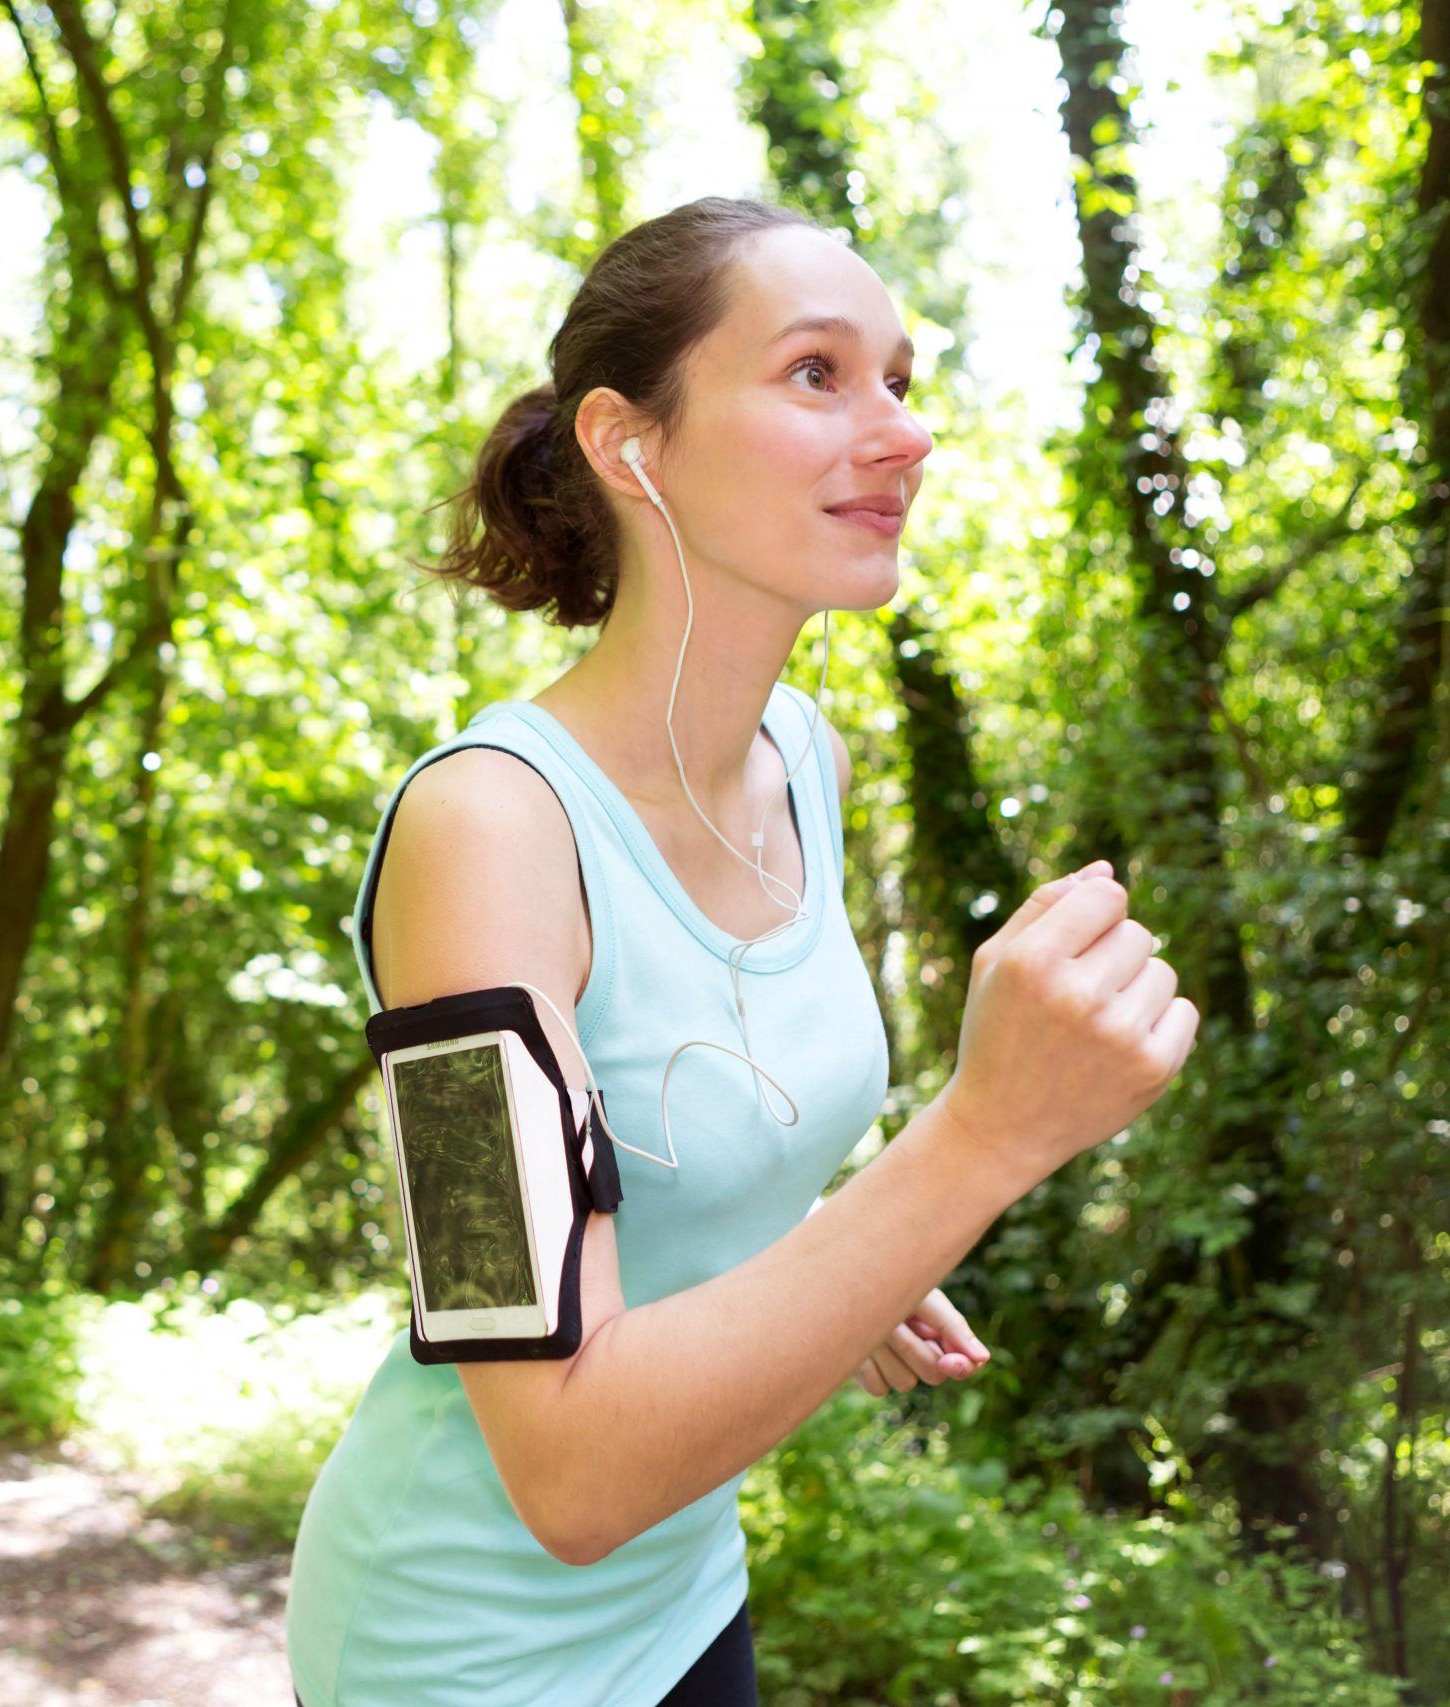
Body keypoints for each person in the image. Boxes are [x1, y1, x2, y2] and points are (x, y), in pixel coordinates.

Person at [282, 196, 1200, 1707]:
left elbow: (682, 1145)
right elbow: (568, 1470)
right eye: (816, 374)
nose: (903, 434)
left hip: (691, 1593)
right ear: (627, 442)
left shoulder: (804, 761)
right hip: (458, 1653)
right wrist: (979, 1139)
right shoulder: (481, 833)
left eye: (899, 380)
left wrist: (815, 1256)